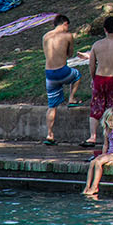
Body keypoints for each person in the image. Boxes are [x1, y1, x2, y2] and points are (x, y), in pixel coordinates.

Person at [85, 17, 113, 148]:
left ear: (104, 29)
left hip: (100, 78)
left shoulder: (97, 45)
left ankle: (92, 136)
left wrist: (93, 78)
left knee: (96, 107)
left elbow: (91, 64)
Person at [41, 15, 80, 145]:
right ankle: (72, 98)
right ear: (64, 23)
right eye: (67, 25)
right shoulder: (68, 36)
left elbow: (46, 53)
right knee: (77, 75)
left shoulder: (45, 36)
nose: (68, 28)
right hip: (62, 71)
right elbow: (70, 54)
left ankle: (49, 134)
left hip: (49, 74)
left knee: (52, 106)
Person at [82, 107, 113, 198]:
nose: (112, 123)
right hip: (109, 152)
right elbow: (106, 145)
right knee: (93, 162)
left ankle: (95, 187)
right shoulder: (107, 130)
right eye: (110, 121)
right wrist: (102, 154)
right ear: (106, 121)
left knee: (98, 163)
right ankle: (87, 186)